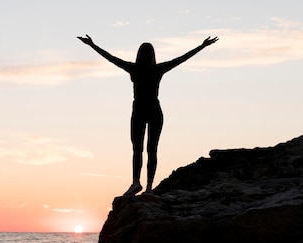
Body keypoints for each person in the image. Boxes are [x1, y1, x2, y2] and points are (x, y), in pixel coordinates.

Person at [78, 34, 218, 195]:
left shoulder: (134, 68)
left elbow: (111, 58)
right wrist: (202, 46)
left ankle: (137, 182)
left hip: (139, 109)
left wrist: (92, 45)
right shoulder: (158, 69)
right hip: (154, 109)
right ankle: (149, 186)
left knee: (138, 149)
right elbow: (182, 59)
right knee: (152, 150)